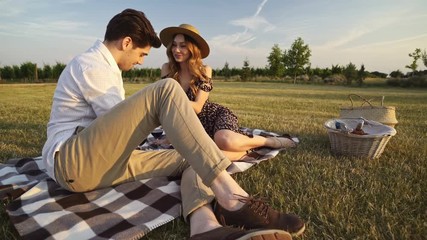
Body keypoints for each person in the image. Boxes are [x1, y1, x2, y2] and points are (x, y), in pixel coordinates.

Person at [42, 9, 305, 239]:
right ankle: (233, 198)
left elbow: (117, 131)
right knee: (166, 90)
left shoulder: (108, 69)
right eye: (142, 54)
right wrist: (161, 114)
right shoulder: (91, 65)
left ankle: (204, 226)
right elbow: (124, 129)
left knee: (190, 158)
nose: (141, 61)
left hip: (102, 163)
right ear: (126, 42)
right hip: (72, 161)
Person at [159, 24, 298, 161]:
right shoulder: (167, 69)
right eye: (174, 45)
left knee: (224, 141)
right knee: (204, 155)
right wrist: (171, 135)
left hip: (212, 117)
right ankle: (246, 150)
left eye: (183, 45)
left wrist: (170, 100)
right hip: (189, 127)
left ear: (193, 48)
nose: (176, 49)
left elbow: (197, 107)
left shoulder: (205, 70)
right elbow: (169, 109)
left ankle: (269, 142)